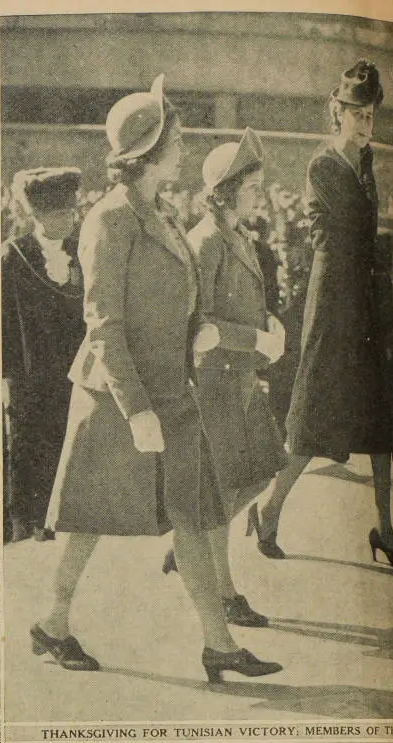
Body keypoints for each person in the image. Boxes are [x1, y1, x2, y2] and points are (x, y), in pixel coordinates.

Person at [32, 75, 281, 681]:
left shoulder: (162, 213)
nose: (184, 147)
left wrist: (199, 328)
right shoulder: (111, 221)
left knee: (195, 513)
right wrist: (136, 408)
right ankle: (52, 623)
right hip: (120, 394)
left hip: (174, 387)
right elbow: (104, 323)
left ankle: (218, 645)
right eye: (176, 137)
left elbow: (181, 291)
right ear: (147, 152)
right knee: (91, 519)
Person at [246, 60, 393, 564]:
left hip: (367, 304)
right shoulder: (325, 166)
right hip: (333, 304)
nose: (364, 123)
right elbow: (351, 235)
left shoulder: (366, 160)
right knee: (314, 420)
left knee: (381, 422)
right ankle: (269, 508)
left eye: (370, 115)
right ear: (337, 112)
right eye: (356, 114)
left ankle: (386, 527)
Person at [161, 129, 288, 629]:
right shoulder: (207, 240)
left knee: (263, 467)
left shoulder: (237, 234)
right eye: (252, 186)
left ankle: (186, 540)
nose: (260, 194)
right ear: (226, 189)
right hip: (214, 379)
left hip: (238, 378)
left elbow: (245, 305)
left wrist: (268, 327)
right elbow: (203, 325)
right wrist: (255, 341)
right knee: (222, 486)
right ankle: (225, 591)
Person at [1, 168, 86, 543]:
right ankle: (27, 525)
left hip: (72, 370)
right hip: (29, 375)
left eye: (71, 212)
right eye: (58, 214)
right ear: (38, 216)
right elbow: (3, 325)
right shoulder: (13, 256)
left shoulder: (82, 251)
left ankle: (61, 521)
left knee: (68, 442)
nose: (68, 220)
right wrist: (7, 378)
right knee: (28, 443)